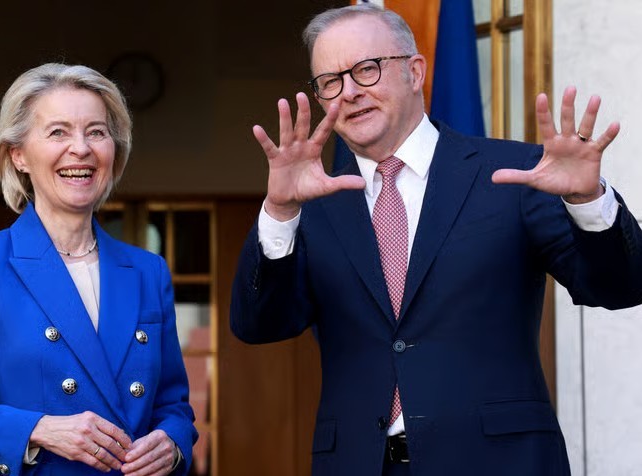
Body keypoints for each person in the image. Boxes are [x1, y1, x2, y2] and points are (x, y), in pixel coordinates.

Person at [230, 5, 642, 476]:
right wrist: (280, 212)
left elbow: (620, 286)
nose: (350, 92)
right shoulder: (312, 203)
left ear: (415, 71)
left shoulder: (513, 174)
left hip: (498, 464)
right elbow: (258, 325)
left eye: (366, 69)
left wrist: (587, 199)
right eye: (331, 81)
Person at [0, 63, 196, 476]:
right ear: (18, 155)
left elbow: (173, 406)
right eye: (58, 132)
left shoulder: (147, 271)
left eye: (96, 132)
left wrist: (171, 445)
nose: (80, 149)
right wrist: (40, 429)